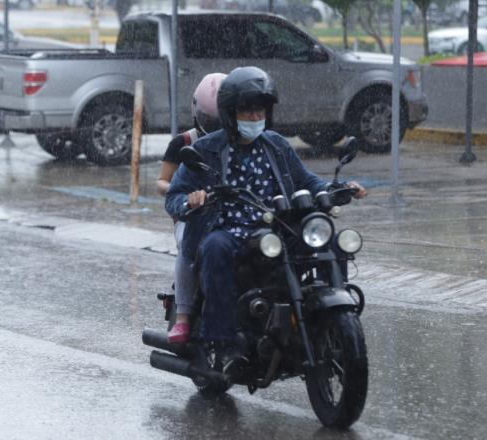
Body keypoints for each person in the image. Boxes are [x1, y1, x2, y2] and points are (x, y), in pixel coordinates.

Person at [165, 66, 366, 378]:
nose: (254, 116)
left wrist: (337, 189)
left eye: (259, 109)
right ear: (230, 113)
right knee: (215, 248)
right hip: (227, 229)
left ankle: (328, 317)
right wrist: (191, 200)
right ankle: (225, 341)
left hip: (275, 228)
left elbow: (308, 181)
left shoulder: (276, 145)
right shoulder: (204, 150)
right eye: (247, 110)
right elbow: (173, 196)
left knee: (324, 236)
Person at [157, 72, 227, 344]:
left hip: (230, 210)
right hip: (192, 213)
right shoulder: (184, 143)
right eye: (212, 121)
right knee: (189, 245)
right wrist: (188, 194)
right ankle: (184, 316)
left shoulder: (247, 144)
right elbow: (163, 183)